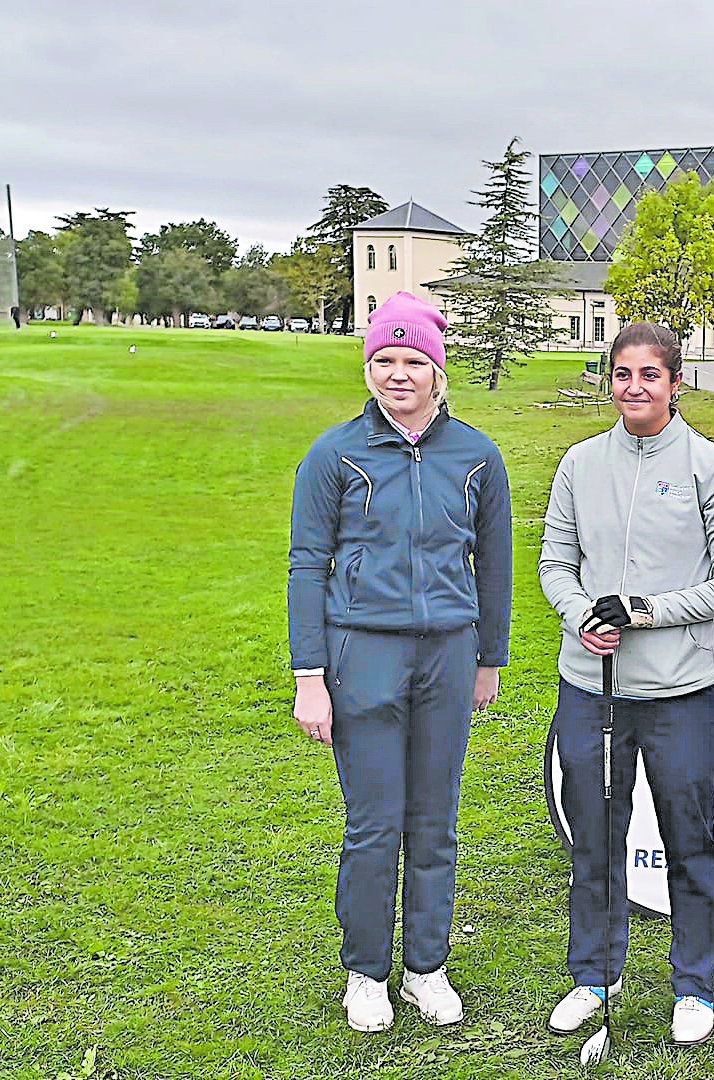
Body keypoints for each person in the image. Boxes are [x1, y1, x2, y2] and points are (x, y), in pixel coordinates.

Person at [287, 292, 512, 1033]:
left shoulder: (477, 456)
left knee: (436, 822)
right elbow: (306, 565)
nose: (398, 374)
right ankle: (366, 973)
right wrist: (309, 677)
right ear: (368, 366)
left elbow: (495, 567)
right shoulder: (335, 454)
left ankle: (426, 967)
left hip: (448, 656)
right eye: (384, 359)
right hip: (363, 656)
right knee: (375, 825)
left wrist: (489, 658)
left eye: (414, 360)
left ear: (439, 370)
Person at [538, 321, 714, 1048]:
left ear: (676, 383)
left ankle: (693, 981)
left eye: (649, 375)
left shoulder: (711, 467)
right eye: (623, 374)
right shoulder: (579, 463)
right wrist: (581, 619)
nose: (635, 388)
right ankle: (596, 974)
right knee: (595, 838)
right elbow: (556, 564)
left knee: (689, 838)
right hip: (591, 686)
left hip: (681, 692)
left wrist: (648, 612)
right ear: (611, 380)